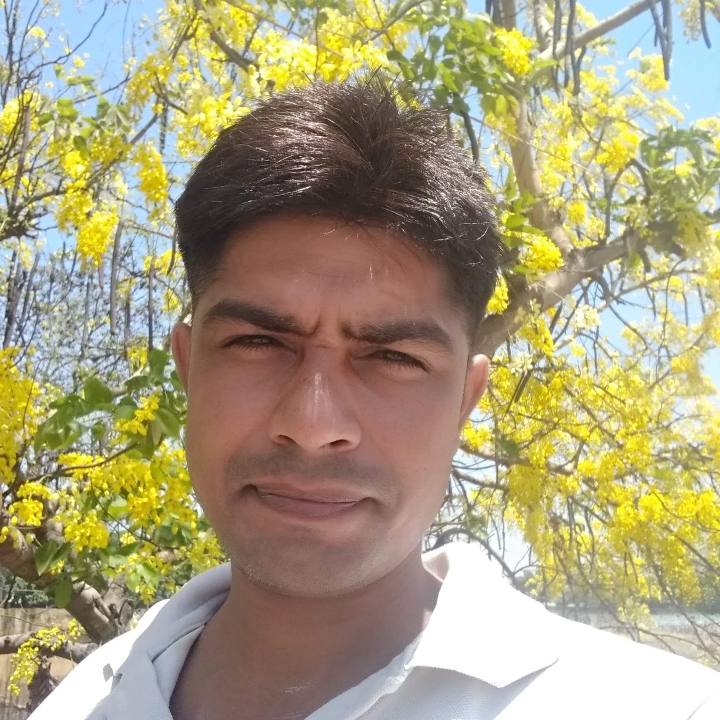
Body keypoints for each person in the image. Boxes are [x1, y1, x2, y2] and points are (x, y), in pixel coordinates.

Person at [30, 75, 720, 720]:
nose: (312, 424)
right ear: (188, 367)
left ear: (466, 398)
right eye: (257, 342)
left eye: (393, 357)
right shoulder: (80, 703)